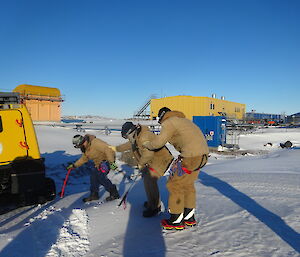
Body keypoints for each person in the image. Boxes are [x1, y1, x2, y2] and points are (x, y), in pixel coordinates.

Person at [143, 107, 209, 230]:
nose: (160, 123)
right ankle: (189, 218)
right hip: (202, 156)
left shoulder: (170, 122)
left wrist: (147, 145)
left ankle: (176, 219)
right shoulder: (184, 121)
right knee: (188, 184)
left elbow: (158, 143)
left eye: (159, 119)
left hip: (191, 157)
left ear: (162, 116)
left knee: (174, 185)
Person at [109, 122, 174, 217]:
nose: (127, 139)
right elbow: (129, 145)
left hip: (161, 160)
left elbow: (148, 154)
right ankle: (152, 202)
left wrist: (140, 164)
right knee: (147, 180)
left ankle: (155, 207)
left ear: (131, 132)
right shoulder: (136, 136)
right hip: (152, 160)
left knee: (150, 181)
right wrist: (116, 148)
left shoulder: (144, 137)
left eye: (127, 136)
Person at [67, 134, 120, 202]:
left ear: (82, 142)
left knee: (100, 176)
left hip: (107, 160)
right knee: (93, 176)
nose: (80, 147)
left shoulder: (95, 142)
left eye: (79, 146)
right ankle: (94, 194)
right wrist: (74, 165)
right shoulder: (85, 148)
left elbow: (109, 149)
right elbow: (84, 158)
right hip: (98, 163)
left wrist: (111, 162)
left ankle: (114, 193)